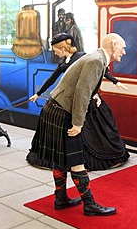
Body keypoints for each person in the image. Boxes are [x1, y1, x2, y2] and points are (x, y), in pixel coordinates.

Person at [26, 33, 127, 216]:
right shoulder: (96, 61)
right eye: (122, 47)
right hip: (63, 112)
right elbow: (82, 92)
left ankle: (61, 198)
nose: (124, 52)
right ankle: (89, 204)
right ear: (113, 45)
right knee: (76, 161)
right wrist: (78, 123)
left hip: (54, 109)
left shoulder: (96, 57)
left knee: (60, 158)